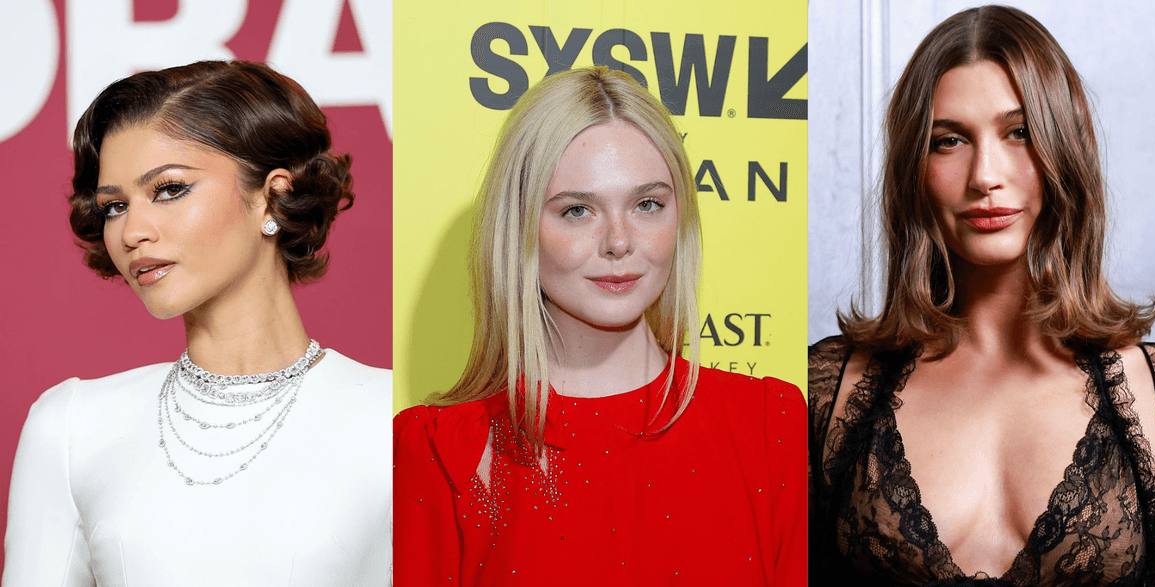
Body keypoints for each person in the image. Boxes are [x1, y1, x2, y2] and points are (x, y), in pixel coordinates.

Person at [809, 5, 1155, 586]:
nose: (985, 175)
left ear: (1064, 150)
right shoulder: (831, 389)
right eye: (949, 141)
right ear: (914, 168)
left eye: (1019, 133)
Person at [395, 66, 804, 586]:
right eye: (578, 211)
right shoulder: (437, 453)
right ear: (520, 226)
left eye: (647, 204)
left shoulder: (772, 427)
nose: (618, 241)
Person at [3, 61, 391, 586]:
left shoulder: (393, 421)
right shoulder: (71, 429)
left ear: (272, 197)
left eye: (168, 189)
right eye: (115, 205)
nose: (133, 231)